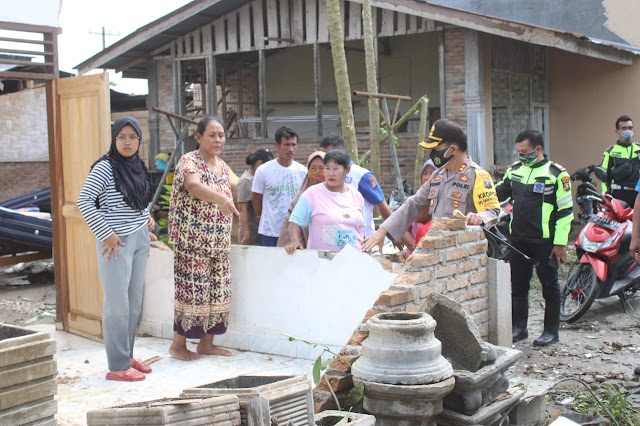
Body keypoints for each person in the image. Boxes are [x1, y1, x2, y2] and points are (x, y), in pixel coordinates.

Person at [77, 116, 155, 382]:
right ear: (114, 139)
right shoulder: (105, 168)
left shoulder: (137, 166)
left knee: (134, 302)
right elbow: (84, 201)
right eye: (121, 137)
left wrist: (145, 216)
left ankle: (128, 354)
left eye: (133, 137)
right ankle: (118, 366)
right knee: (117, 304)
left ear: (139, 140)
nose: (127, 142)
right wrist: (106, 234)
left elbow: (138, 197)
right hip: (115, 242)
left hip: (139, 238)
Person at [363, 119, 500, 253]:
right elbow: (413, 204)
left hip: (465, 253)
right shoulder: (437, 176)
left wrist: (479, 217)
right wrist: (383, 230)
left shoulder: (478, 176)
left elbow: (492, 211)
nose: (433, 153)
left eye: (436, 149)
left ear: (452, 149)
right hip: (439, 253)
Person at [167, 116, 239, 361]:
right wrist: (221, 199)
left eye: (221, 135)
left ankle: (207, 344)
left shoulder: (222, 164)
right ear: (198, 138)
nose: (218, 139)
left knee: (218, 295)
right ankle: (178, 346)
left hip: (218, 244)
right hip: (192, 244)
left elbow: (239, 186)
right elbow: (193, 186)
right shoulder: (189, 161)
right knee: (192, 295)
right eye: (212, 135)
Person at [495, 130, 574, 347]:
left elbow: (565, 212)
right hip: (518, 239)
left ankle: (551, 331)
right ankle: (519, 327)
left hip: (545, 242)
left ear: (538, 149)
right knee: (518, 285)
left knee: (549, 286)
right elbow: (498, 194)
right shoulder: (515, 171)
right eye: (519, 152)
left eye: (525, 152)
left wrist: (559, 244)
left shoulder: (557, 175)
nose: (521, 156)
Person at [285, 150, 365, 254]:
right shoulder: (311, 194)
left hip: (353, 259)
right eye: (327, 168)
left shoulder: (357, 196)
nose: (331, 173)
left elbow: (361, 229)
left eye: (335, 169)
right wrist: (295, 241)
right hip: (321, 261)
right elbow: (295, 222)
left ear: (347, 170)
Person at [319, 134, 391, 237]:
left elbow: (382, 205)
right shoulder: (322, 175)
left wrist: (394, 234)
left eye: (327, 156)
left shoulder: (361, 175)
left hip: (360, 239)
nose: (324, 160)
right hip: (331, 238)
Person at [252, 126, 307, 247]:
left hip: (294, 232)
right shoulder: (263, 170)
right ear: (277, 145)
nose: (291, 149)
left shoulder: (303, 171)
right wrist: (260, 216)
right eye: (287, 144)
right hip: (269, 231)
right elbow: (256, 197)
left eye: (294, 145)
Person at [277, 150, 326, 248]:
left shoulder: (335, 195)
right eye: (313, 168)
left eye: (321, 168)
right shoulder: (302, 196)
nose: (317, 172)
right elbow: (293, 224)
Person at [601, 115, 640, 208]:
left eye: (630, 128)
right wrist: (605, 195)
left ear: (633, 131)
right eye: (624, 128)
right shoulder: (610, 152)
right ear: (617, 131)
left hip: (637, 195)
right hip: (618, 196)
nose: (627, 131)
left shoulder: (638, 149)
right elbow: (603, 176)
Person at [237, 149, 274, 245]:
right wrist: (247, 235)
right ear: (260, 164)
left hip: (260, 230)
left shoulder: (261, 180)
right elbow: (242, 209)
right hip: (251, 232)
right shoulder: (246, 181)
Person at [406, 159, 437, 256]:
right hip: (413, 257)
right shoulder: (415, 201)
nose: (427, 177)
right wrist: (415, 247)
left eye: (432, 173)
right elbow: (402, 227)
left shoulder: (444, 203)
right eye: (425, 173)